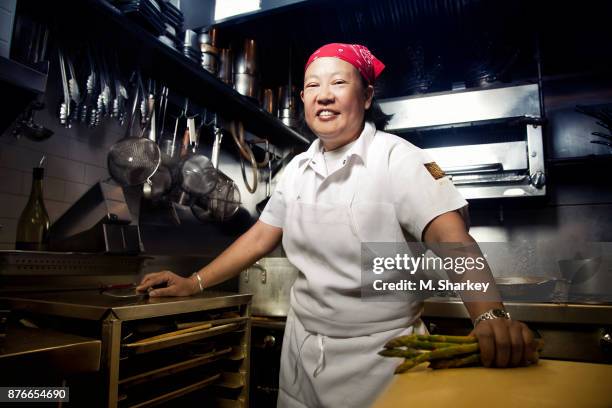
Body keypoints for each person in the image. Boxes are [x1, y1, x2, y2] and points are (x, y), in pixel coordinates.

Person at [137, 43, 538, 407]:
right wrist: (195, 283)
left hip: (381, 361)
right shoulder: (296, 169)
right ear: (305, 99)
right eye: (313, 85)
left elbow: (452, 239)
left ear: (365, 96)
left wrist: (490, 317)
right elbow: (261, 236)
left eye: (339, 82)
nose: (324, 95)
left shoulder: (400, 160)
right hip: (301, 354)